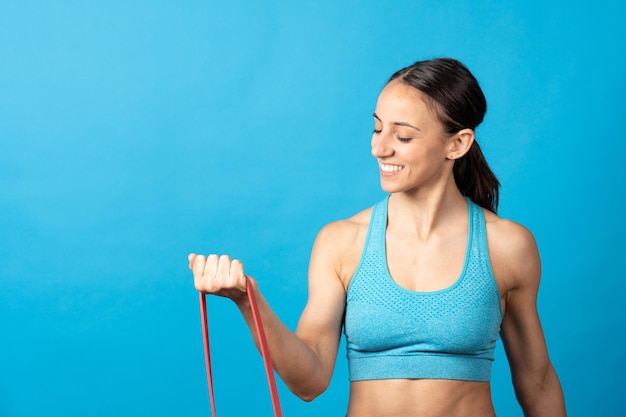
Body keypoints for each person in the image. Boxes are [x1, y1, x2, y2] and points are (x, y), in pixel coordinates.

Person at [189, 57, 567, 417]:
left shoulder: (507, 246)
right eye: (377, 127)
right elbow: (309, 382)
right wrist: (247, 301)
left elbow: (536, 380)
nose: (378, 147)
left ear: (458, 144)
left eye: (402, 136)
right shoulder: (342, 243)